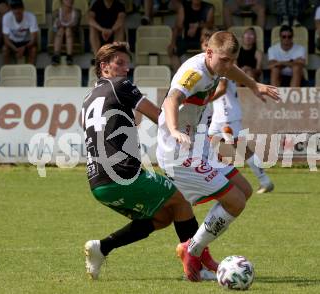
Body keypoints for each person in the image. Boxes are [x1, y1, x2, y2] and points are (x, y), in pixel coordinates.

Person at [82, 42, 219, 281]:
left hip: (98, 183)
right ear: (103, 66)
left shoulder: (88, 99)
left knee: (162, 217)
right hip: (123, 174)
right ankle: (198, 266)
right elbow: (159, 116)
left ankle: (101, 248)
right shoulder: (120, 85)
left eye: (128, 63)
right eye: (120, 63)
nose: (127, 69)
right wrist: (180, 129)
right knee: (181, 200)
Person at [156, 31, 280, 282]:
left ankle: (196, 248)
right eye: (224, 60)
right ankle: (193, 250)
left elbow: (230, 70)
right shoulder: (195, 72)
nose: (228, 66)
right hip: (178, 151)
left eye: (231, 60)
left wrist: (254, 85)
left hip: (197, 147)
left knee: (243, 190)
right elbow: (171, 100)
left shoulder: (218, 65)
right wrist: (174, 130)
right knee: (235, 202)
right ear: (209, 53)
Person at [167, 0, 214, 72]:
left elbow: (210, 24)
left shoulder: (208, 7)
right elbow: (178, 27)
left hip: (202, 39)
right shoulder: (184, 6)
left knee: (207, 38)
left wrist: (197, 25)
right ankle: (179, 74)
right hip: (186, 39)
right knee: (172, 50)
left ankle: (207, 73)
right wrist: (172, 44)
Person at [2, 0, 38, 65]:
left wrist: (24, 48)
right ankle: (6, 72)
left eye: (19, 8)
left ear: (23, 8)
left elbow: (34, 39)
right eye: (14, 8)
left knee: (33, 50)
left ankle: (30, 72)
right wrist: (17, 50)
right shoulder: (6, 17)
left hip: (27, 42)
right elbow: (6, 40)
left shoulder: (31, 16)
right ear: (11, 9)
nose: (17, 10)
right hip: (12, 42)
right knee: (5, 49)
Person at [51, 0, 81, 65]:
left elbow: (76, 28)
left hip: (72, 36)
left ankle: (69, 55)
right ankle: (56, 55)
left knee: (68, 30)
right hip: (58, 36)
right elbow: (53, 29)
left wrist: (68, 27)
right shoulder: (56, 12)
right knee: (60, 30)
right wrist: (57, 25)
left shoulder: (77, 12)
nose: (70, 1)